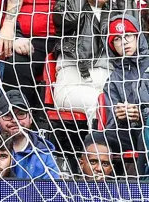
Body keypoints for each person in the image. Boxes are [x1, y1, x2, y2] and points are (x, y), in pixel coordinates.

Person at [53, 0, 123, 128]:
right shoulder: (67, 6)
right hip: (73, 83)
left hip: (107, 83)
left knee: (125, 106)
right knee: (101, 103)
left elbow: (134, 33)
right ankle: (98, 145)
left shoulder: (115, 10)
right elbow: (69, 18)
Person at [103, 15, 149, 153]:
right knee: (94, 139)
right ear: (112, 47)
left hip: (147, 129)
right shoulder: (113, 80)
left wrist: (141, 115)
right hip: (128, 134)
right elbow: (110, 124)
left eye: (128, 35)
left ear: (137, 37)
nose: (123, 42)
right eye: (117, 39)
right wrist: (119, 117)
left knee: (144, 138)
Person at [0, 0, 58, 109]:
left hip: (63, 38)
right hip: (25, 38)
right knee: (16, 65)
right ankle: (21, 116)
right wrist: (15, 35)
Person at [0, 90, 60, 179]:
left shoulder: (44, 155)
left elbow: (51, 191)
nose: (15, 120)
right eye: (8, 115)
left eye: (21, 114)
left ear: (30, 118)